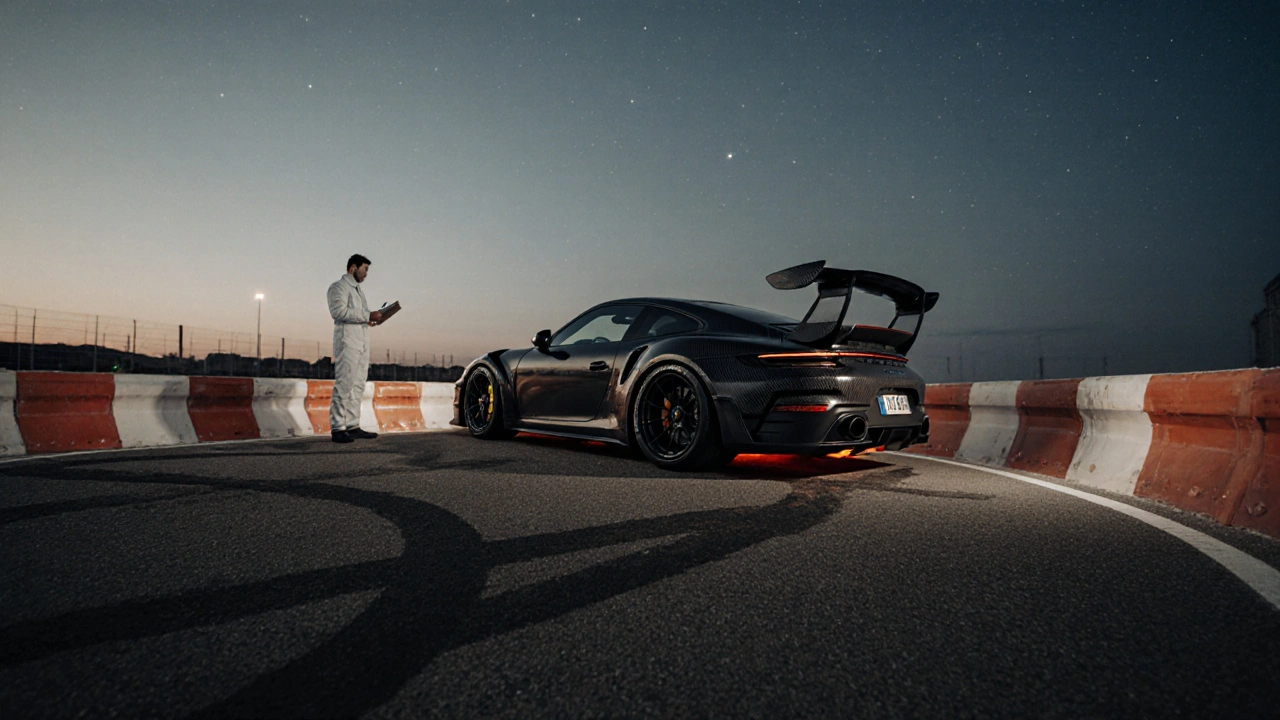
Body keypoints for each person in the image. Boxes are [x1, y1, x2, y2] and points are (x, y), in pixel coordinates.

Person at [327, 254, 386, 443]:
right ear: (353, 267)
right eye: (365, 269)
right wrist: (368, 315)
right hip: (347, 343)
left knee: (358, 385)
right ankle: (338, 428)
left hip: (361, 343)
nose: (366, 274)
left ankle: (352, 426)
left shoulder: (359, 291)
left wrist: (370, 320)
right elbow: (338, 312)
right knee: (344, 384)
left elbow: (358, 315)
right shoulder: (338, 287)